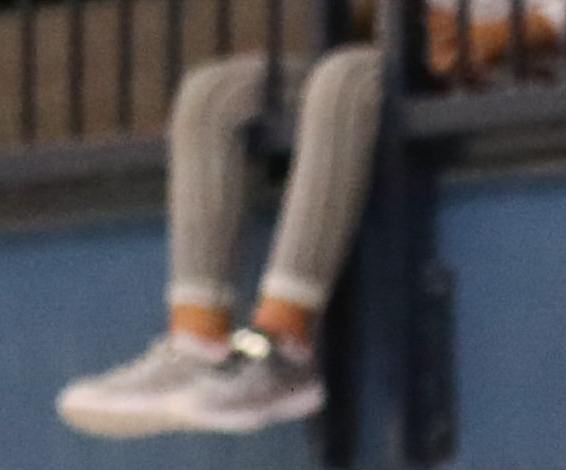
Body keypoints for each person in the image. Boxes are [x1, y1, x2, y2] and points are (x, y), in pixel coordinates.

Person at [57, 37, 385, 438]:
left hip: (436, 61)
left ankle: (283, 349)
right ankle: (197, 346)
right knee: (213, 93)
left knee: (345, 78)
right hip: (394, 44)